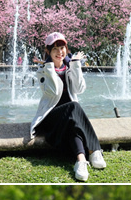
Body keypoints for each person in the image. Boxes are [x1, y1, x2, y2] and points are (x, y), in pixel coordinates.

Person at [30, 32, 106, 182]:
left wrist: (75, 65)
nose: (60, 52)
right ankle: (95, 149)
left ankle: (81, 160)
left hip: (69, 119)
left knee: (74, 124)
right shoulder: (42, 71)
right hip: (50, 120)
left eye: (62, 48)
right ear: (48, 52)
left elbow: (79, 89)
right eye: (55, 49)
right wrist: (49, 66)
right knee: (74, 106)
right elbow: (54, 91)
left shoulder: (70, 67)